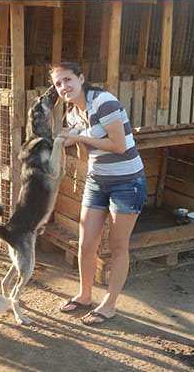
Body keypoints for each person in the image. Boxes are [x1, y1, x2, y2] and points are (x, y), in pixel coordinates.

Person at [50, 62, 147, 325]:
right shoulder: (73, 114)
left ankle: (110, 304)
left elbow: (117, 145)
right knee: (85, 243)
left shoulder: (104, 102)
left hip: (127, 182)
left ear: (81, 78)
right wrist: (62, 140)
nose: (64, 87)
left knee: (117, 246)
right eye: (58, 84)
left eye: (68, 79)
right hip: (97, 182)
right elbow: (78, 146)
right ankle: (84, 295)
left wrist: (81, 138)